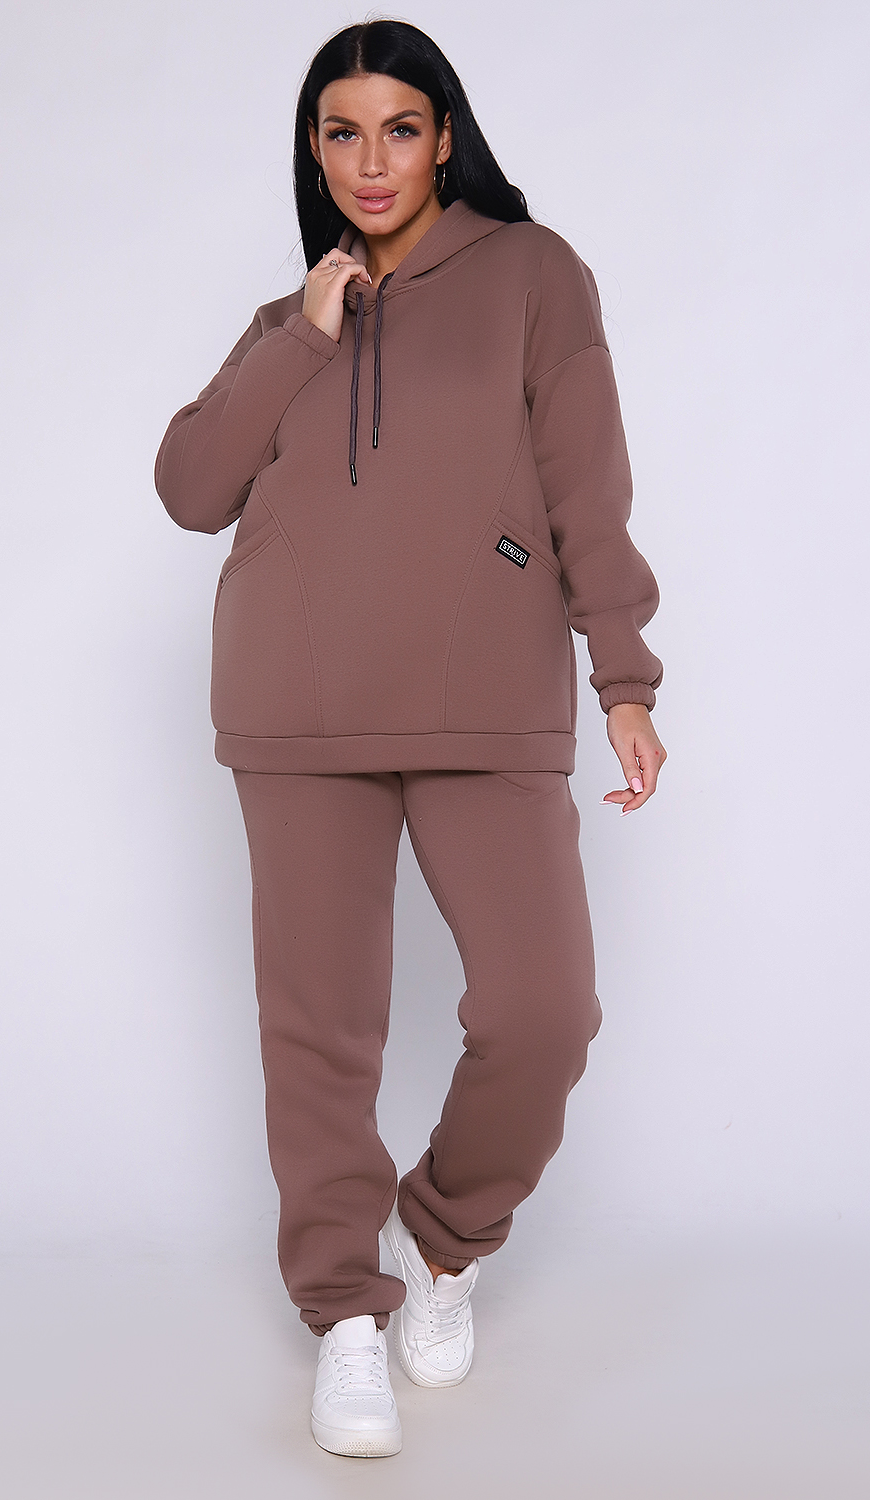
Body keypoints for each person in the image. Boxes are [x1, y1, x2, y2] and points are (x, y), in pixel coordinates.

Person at [154, 18, 666, 1459]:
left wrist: (624, 676)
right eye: (341, 132)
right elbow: (190, 488)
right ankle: (345, 1317)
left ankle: (440, 1240)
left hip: (482, 696)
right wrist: (300, 340)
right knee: (320, 1030)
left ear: (445, 138)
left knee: (544, 1009)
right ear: (313, 152)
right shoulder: (290, 316)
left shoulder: (533, 275)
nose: (369, 161)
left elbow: (588, 486)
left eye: (398, 127)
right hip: (293, 702)